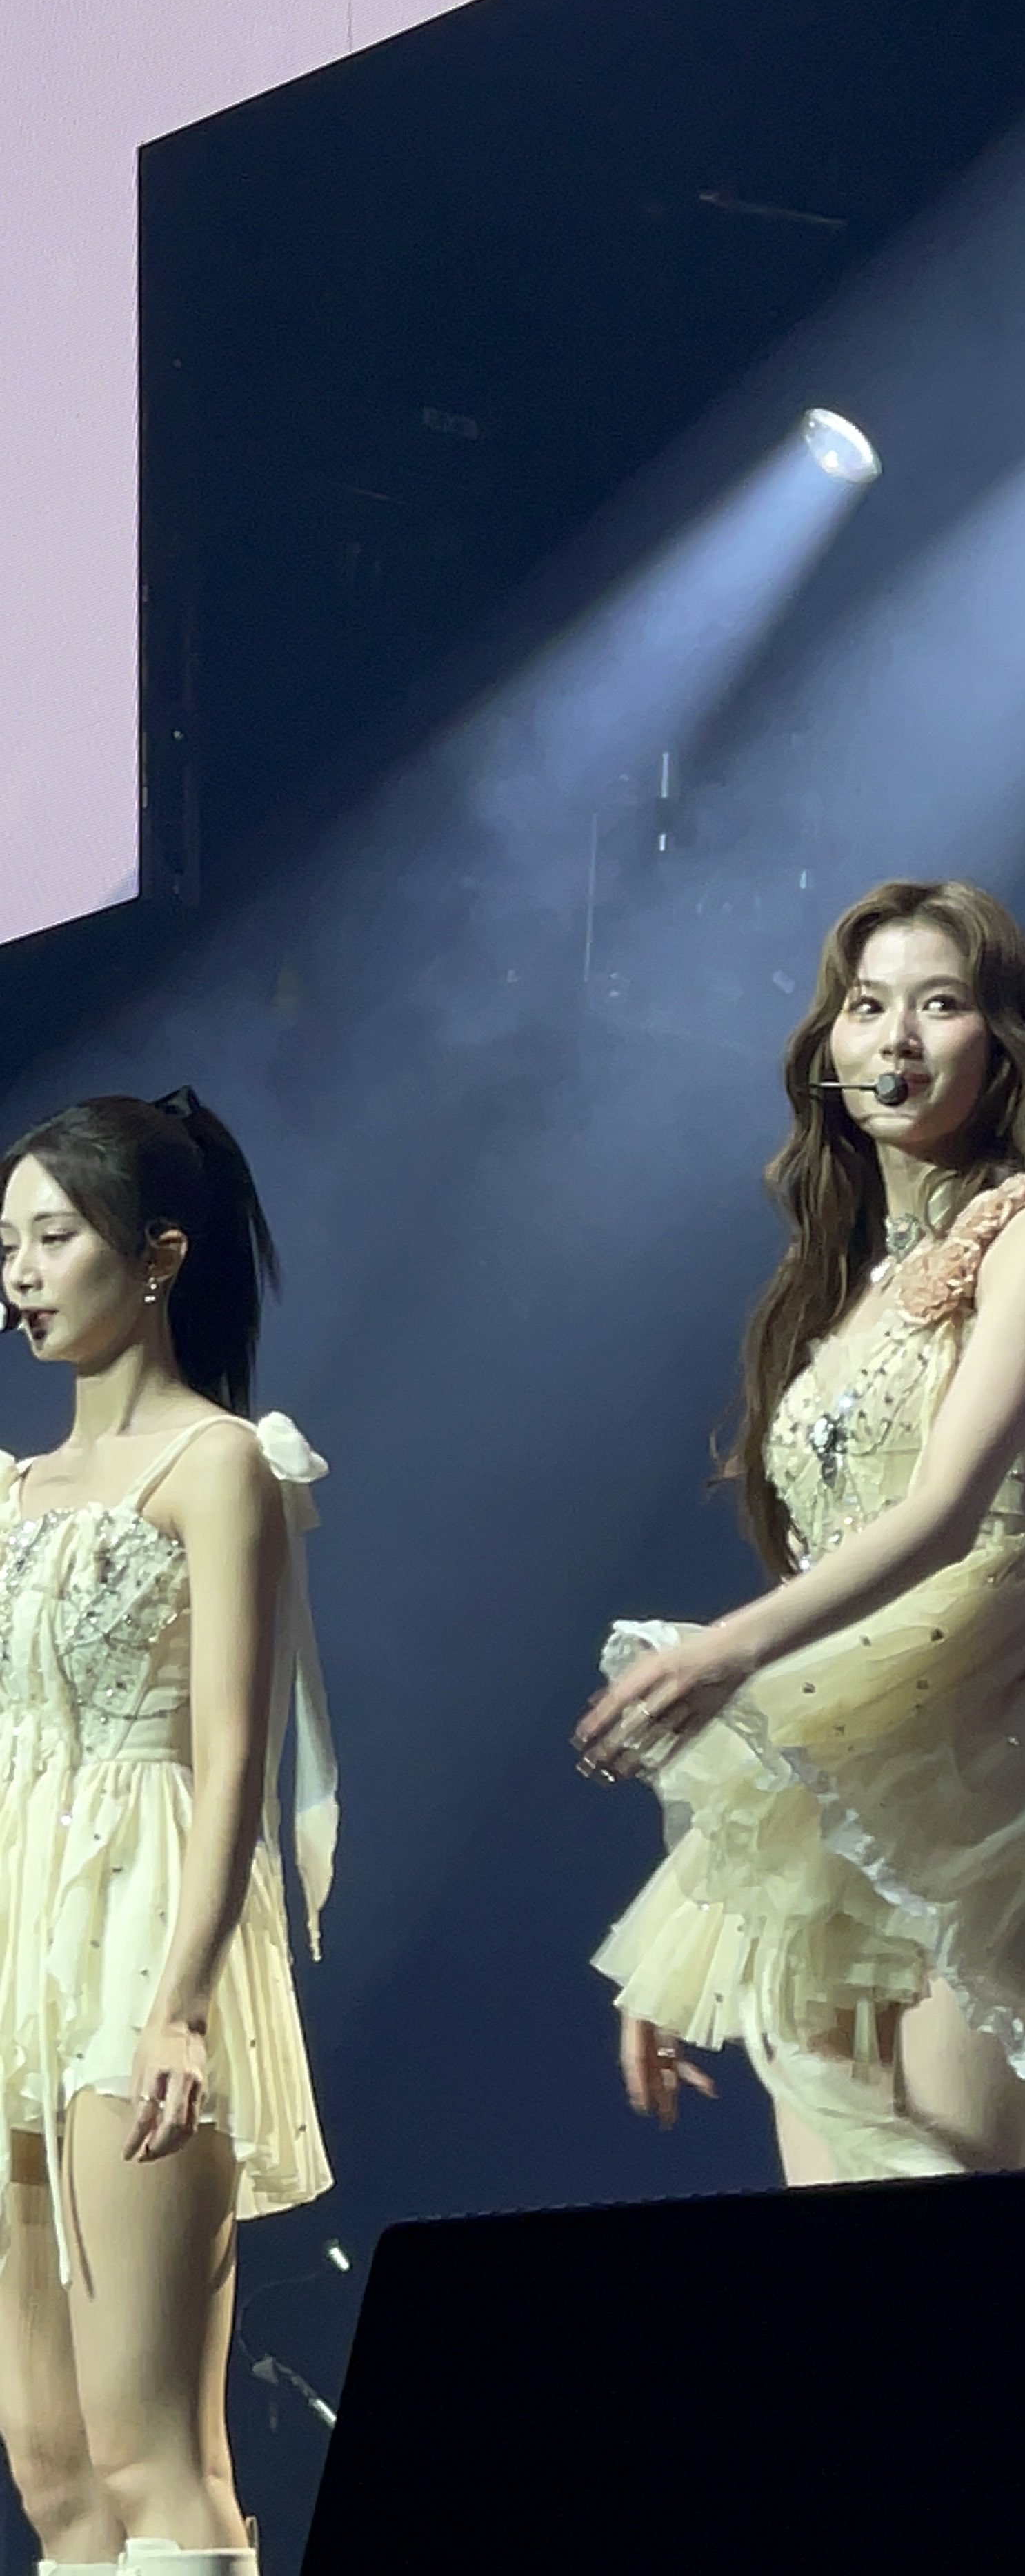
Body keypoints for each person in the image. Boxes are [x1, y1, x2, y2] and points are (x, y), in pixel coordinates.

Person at [574, 879, 1025, 2185]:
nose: (899, 1039)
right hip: (848, 1772)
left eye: (941, 1004)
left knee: (969, 2214)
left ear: (1006, 1043)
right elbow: (823, 1614)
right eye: (868, 1007)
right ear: (829, 1045)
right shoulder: (838, 1288)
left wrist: (719, 1653)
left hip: (999, 1749)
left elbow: (945, 1512)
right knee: (845, 2240)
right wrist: (694, 1918)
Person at [0, 1088, 336, 2576]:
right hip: (18, 1930)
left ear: (156, 1256)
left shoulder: (218, 1464)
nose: (19, 1273)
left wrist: (183, 2005)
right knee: (51, 2461)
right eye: (5, 1243)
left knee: (151, 2450)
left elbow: (235, 1755)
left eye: (52, 1236)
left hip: (142, 1924)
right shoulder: (11, 1490)